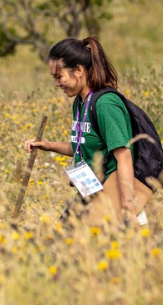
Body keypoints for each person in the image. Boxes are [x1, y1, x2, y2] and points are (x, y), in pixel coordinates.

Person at [23, 37, 138, 223]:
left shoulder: (105, 104)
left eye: (59, 77)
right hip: (90, 191)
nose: (57, 83)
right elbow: (83, 146)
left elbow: (123, 155)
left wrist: (128, 207)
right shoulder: (80, 102)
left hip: (110, 193)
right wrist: (48, 145)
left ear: (78, 71)